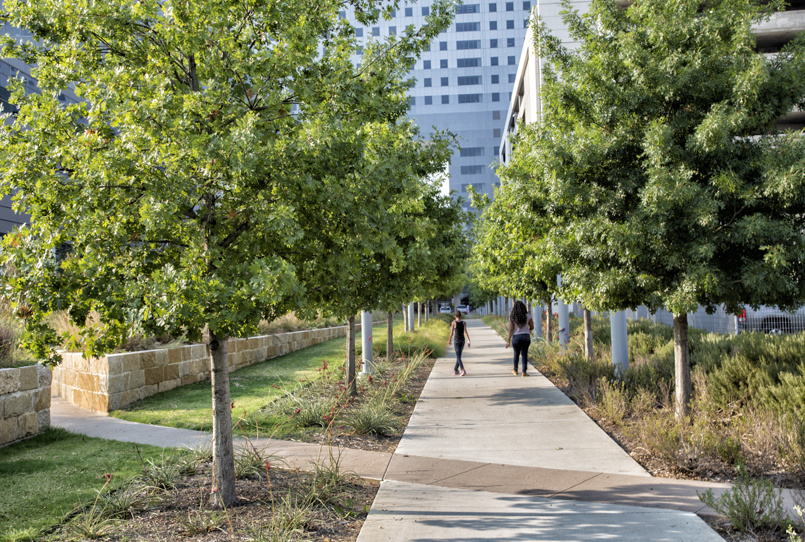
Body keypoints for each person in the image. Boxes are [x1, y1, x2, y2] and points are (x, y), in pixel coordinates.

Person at [506, 300, 534, 376]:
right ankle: (524, 371)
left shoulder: (512, 317)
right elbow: (532, 327)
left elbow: (511, 329)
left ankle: (515, 370)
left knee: (516, 353)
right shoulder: (528, 316)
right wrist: (527, 330)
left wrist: (508, 340)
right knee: (524, 354)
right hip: (525, 337)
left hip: (516, 337)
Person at [447, 310, 471, 376]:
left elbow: (451, 333)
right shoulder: (464, 323)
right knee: (459, 356)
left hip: (456, 341)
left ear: (455, 316)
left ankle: (462, 369)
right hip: (462, 340)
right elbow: (465, 332)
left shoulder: (453, 323)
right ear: (461, 316)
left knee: (458, 356)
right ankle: (455, 369)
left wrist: (449, 340)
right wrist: (468, 340)